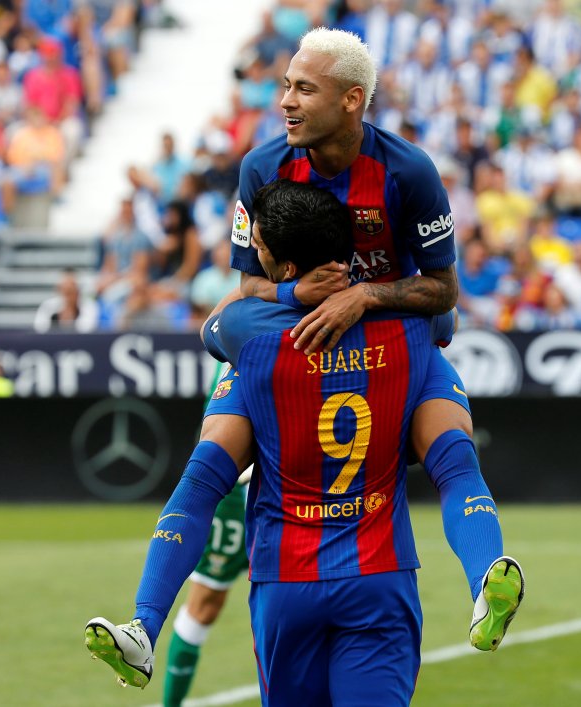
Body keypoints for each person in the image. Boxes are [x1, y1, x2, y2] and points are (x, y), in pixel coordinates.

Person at [85, 180, 524, 705]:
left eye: (261, 250)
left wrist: (287, 295)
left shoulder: (251, 331)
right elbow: (443, 309)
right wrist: (366, 291)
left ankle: (145, 623)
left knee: (201, 479)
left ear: (285, 264)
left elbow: (215, 326)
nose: (254, 259)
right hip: (377, 572)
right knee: (456, 463)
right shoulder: (412, 323)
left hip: (286, 577)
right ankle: (482, 581)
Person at [213, 24, 521, 656]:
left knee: (454, 452)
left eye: (304, 88)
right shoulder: (260, 167)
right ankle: (147, 622)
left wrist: (366, 295)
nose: (286, 102)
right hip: (297, 347)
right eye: (285, 87)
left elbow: (444, 291)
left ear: (351, 100)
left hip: (391, 348)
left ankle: (488, 582)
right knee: (210, 460)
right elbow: (246, 290)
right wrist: (298, 297)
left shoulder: (408, 171)